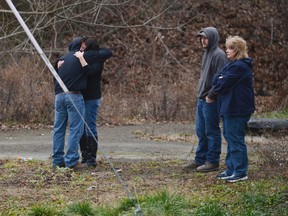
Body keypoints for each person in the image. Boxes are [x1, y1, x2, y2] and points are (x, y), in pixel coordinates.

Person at [52, 37, 105, 170]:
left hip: (59, 96)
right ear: (79, 48)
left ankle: (57, 161)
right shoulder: (80, 58)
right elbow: (92, 69)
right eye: (82, 47)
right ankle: (71, 161)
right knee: (76, 129)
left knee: (58, 129)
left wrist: (57, 62)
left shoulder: (62, 60)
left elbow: (55, 77)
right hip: (74, 95)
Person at [208, 36, 255, 182]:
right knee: (230, 137)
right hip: (230, 107)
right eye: (227, 47)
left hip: (238, 108)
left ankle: (240, 171)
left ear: (238, 50)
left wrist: (220, 79)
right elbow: (216, 79)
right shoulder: (231, 64)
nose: (227, 51)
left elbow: (222, 83)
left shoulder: (240, 66)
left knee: (235, 139)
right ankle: (231, 169)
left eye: (231, 48)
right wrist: (220, 79)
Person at [183, 27, 228, 172]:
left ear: (212, 38)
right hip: (201, 99)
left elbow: (222, 79)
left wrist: (211, 95)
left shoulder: (219, 55)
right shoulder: (206, 54)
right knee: (201, 131)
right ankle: (200, 159)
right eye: (201, 38)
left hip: (211, 101)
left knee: (212, 131)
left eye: (205, 37)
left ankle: (212, 161)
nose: (202, 40)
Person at [75, 38, 112, 168]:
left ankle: (91, 158)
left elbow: (90, 71)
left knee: (90, 125)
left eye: (84, 46)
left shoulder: (97, 60)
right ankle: (84, 156)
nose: (81, 49)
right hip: (81, 95)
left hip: (92, 96)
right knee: (81, 126)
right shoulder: (89, 56)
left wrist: (81, 58)